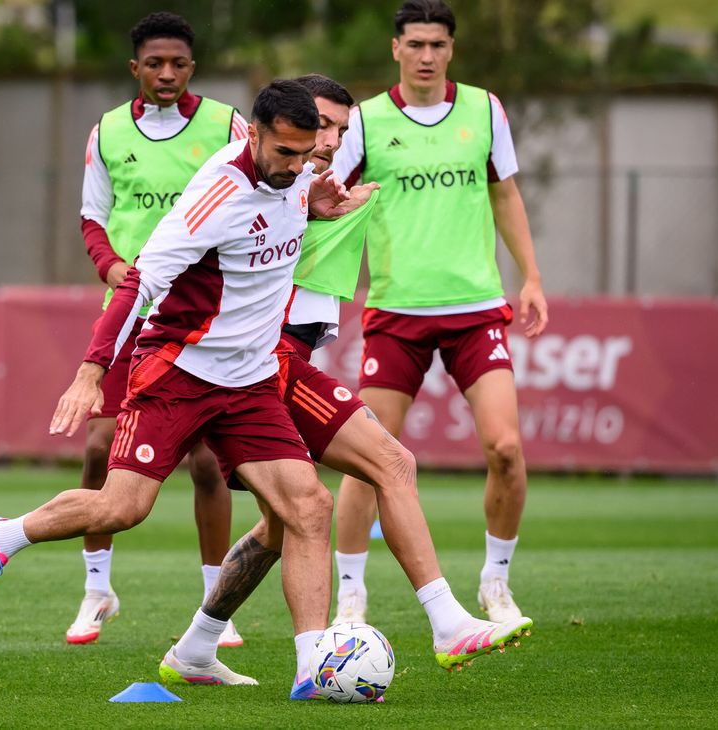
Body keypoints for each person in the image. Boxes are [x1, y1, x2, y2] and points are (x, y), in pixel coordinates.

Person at [0, 80, 362, 698]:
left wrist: (314, 199)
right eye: (285, 155)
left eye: (306, 155)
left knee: (308, 507)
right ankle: (1, 536)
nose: (298, 167)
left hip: (248, 380)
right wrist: (91, 370)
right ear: (253, 135)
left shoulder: (296, 173)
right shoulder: (215, 198)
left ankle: (312, 671)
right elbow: (137, 283)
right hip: (179, 371)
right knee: (123, 508)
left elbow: (298, 190)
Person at [157, 74, 531, 698]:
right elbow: (222, 240)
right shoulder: (279, 184)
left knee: (286, 524)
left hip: (284, 352)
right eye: (321, 127)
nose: (330, 140)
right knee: (388, 462)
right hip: (264, 359)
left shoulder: (310, 181)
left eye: (339, 129)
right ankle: (445, 623)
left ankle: (196, 644)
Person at [329, 0, 550, 626]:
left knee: (506, 447)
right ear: (395, 48)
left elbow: (505, 192)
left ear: (451, 49)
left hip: (477, 308)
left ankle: (495, 585)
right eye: (416, 44)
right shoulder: (366, 122)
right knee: (369, 456)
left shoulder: (485, 110)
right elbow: (327, 198)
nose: (427, 56)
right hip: (397, 311)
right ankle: (350, 594)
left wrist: (530, 276)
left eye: (439, 45)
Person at [74, 11, 249, 646]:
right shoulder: (108, 132)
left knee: (206, 462)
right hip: (131, 312)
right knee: (97, 449)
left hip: (201, 317)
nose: (167, 73)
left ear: (192, 67)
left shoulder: (229, 125)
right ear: (135, 69)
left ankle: (214, 601)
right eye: (155, 63)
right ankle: (97, 590)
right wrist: (114, 266)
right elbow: (93, 218)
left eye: (178, 63)